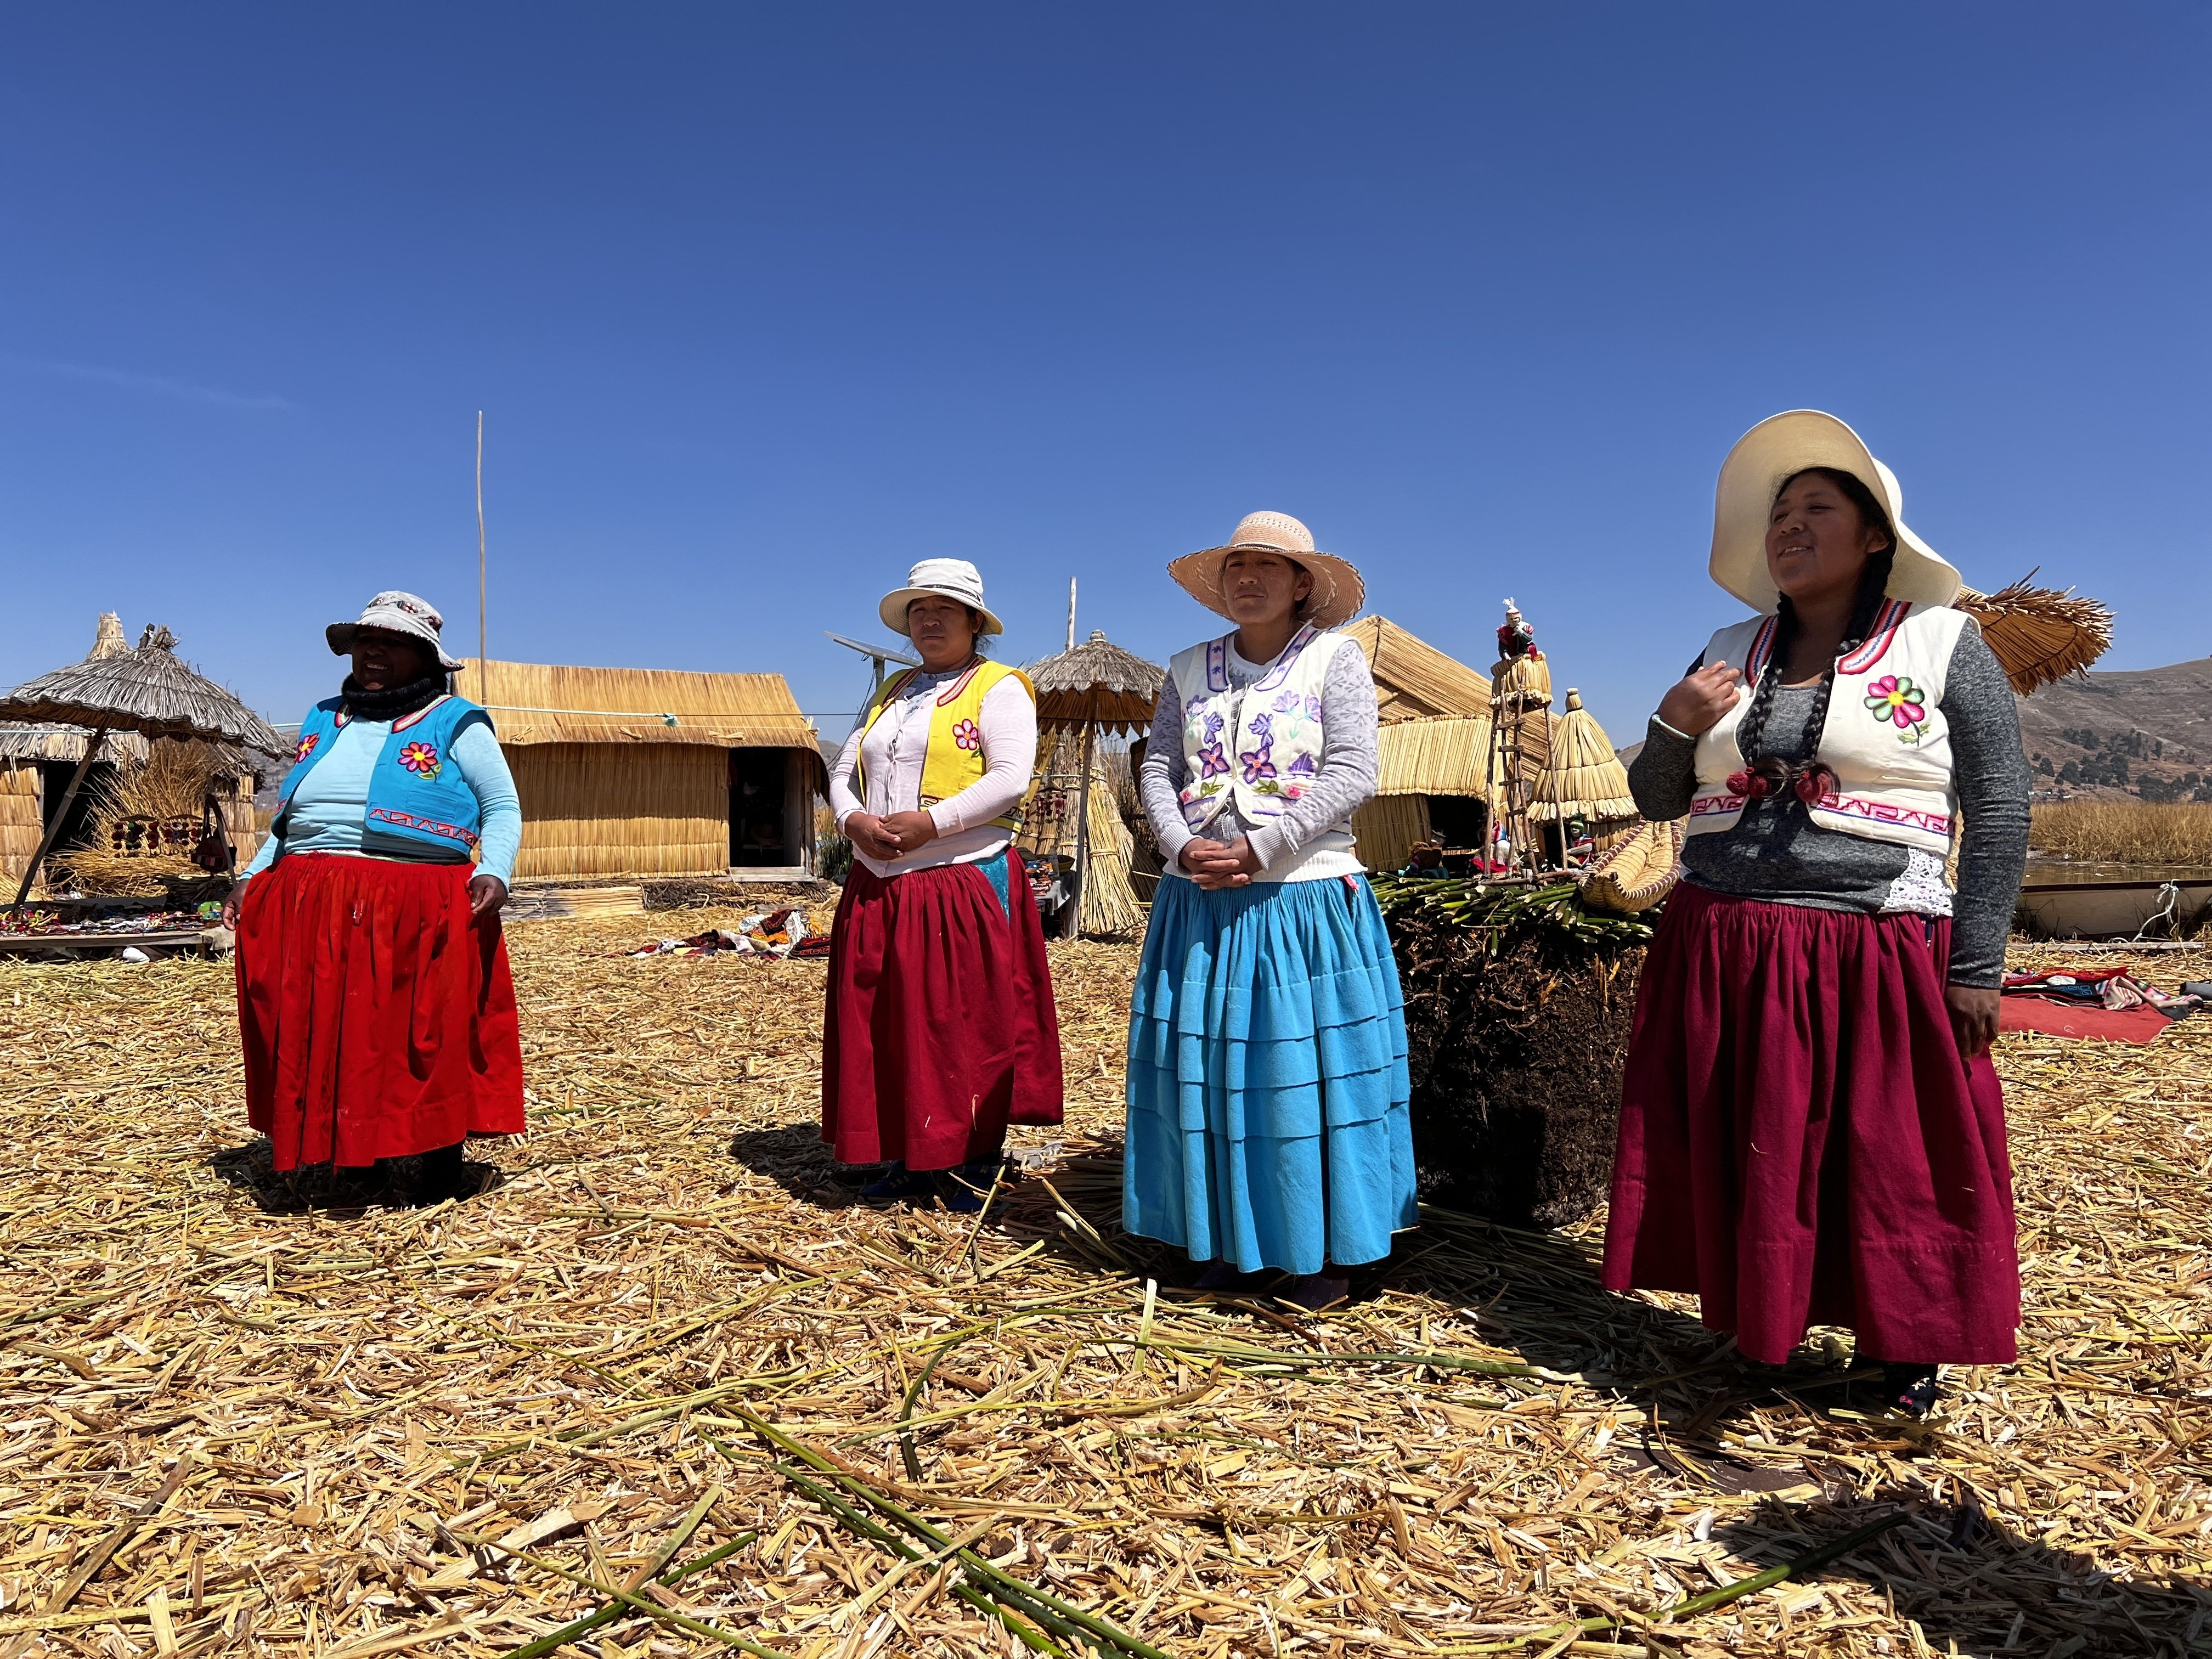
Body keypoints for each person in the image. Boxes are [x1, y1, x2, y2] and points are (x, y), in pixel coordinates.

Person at [1601, 411, 2031, 1415]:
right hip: (1723, 936)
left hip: (1872, 934)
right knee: (1752, 1136)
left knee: (1889, 1150)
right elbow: (1657, 798)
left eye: (1814, 509)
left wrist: (1976, 960)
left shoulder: (1941, 640)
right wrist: (1674, 721)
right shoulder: (1725, 649)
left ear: (1874, 534)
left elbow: (2000, 800)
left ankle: (1903, 1348)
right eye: (1777, 514)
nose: (1787, 526)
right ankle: (1765, 1326)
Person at [1125, 511, 1416, 1311]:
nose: (1248, 578)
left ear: (1302, 585)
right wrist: (1183, 847)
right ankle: (1227, 1240)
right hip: (1201, 903)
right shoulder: (1187, 669)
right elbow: (1157, 766)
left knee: (1301, 1076)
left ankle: (1323, 1248)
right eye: (1237, 565)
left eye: (1269, 566)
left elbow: (1355, 770)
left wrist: (1261, 849)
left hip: (1301, 898)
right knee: (1218, 1072)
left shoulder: (1334, 660)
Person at [226, 592, 524, 1205]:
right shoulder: (322, 717)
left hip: (415, 895)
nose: (374, 653)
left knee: (421, 1030)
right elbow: (288, 819)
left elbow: (501, 805)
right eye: (366, 641)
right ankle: (351, 1162)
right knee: (331, 1029)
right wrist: (254, 875)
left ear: (425, 658)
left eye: (393, 643)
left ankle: (439, 1161)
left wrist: (494, 869)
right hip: (312, 896)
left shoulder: (455, 720)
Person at [823, 559, 1063, 1212]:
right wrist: (853, 821)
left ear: (974, 623)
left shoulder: (999, 687)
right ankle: (907, 1152)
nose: (928, 620)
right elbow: (841, 771)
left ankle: (967, 1159)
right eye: (918, 611)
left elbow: (1012, 777)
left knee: (959, 1020)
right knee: (889, 1017)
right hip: (881, 880)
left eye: (945, 610)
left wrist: (933, 822)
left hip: (959, 878)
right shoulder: (892, 691)